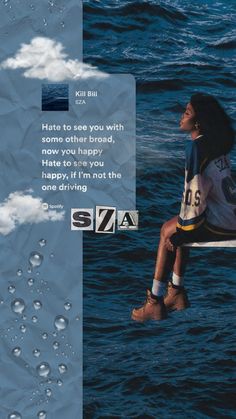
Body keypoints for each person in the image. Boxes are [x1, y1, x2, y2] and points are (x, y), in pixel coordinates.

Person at [132, 93, 236, 322]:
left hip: (223, 223)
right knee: (178, 224)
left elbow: (196, 192)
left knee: (167, 231)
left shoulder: (196, 148)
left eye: (187, 112)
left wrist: (185, 231)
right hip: (229, 213)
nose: (181, 117)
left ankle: (155, 302)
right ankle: (176, 291)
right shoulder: (216, 142)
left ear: (198, 122)